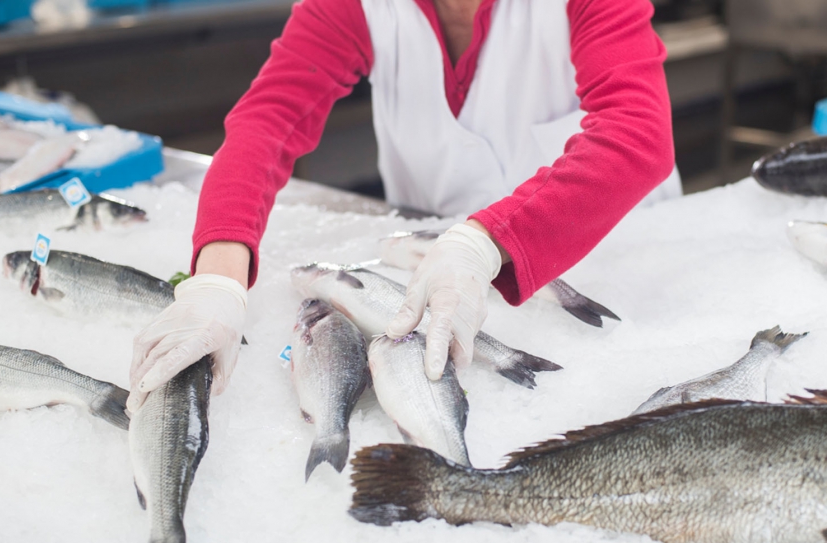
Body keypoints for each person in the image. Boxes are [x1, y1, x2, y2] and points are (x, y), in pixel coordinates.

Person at [126, 0, 676, 411]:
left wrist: (486, 240)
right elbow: (268, 123)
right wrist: (217, 279)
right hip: (419, 271)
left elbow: (637, 134)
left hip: (614, 267)